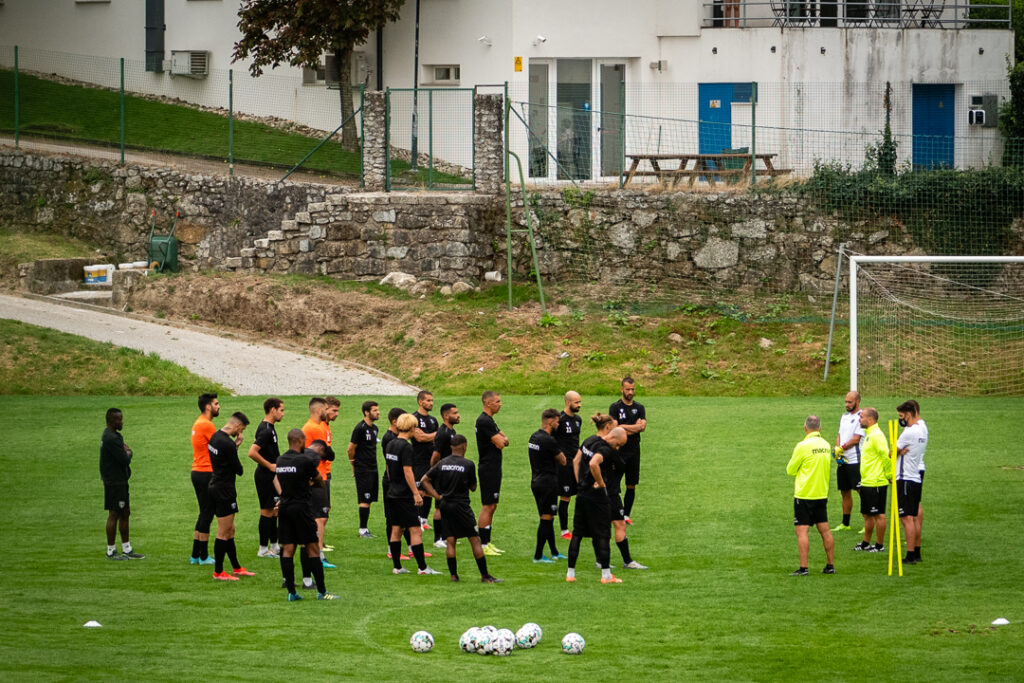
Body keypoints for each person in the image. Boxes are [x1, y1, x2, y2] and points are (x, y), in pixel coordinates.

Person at [420, 435, 502, 583]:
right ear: (464, 446)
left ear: (451, 447)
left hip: (445, 505)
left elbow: (424, 480)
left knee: (450, 541)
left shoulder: (442, 463)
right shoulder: (468, 464)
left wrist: (437, 496)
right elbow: (473, 487)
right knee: (475, 540)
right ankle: (485, 576)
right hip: (461, 506)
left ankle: (453, 576)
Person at [275, 429, 336, 601]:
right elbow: (318, 480)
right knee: (312, 548)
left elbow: (278, 479)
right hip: (302, 508)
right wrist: (308, 482)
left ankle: (291, 593)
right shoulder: (304, 460)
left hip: (285, 508)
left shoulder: (281, 460)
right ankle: (322, 592)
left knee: (287, 549)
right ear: (301, 440)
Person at [566, 423, 627, 584]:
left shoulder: (590, 440)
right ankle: (606, 575)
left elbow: (576, 460)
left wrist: (580, 482)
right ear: (613, 436)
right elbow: (594, 463)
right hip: (597, 498)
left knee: (577, 534)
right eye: (619, 444)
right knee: (603, 534)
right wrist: (600, 483)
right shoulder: (605, 449)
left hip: (582, 494)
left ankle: (570, 574)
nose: (618, 448)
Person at [384, 413, 439, 576]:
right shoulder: (406, 446)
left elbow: (388, 468)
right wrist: (415, 493)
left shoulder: (391, 443)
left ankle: (397, 567)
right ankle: (423, 568)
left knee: (396, 529)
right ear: (412, 428)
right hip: (404, 495)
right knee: (415, 530)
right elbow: (407, 471)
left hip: (392, 492)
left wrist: (393, 483)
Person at [208, 411, 255, 581]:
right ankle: (218, 572)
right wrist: (236, 446)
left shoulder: (214, 437)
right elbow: (239, 470)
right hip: (224, 489)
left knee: (230, 530)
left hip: (215, 484)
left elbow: (223, 459)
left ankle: (236, 567)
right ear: (236, 425)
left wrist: (235, 445)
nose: (240, 432)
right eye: (241, 429)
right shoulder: (226, 443)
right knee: (223, 532)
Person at [786, 415, 835, 576]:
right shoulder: (826, 445)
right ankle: (830, 565)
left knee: (802, 531)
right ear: (820, 428)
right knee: (825, 530)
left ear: (805, 428)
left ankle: (804, 568)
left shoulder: (802, 446)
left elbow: (790, 470)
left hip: (804, 494)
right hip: (821, 493)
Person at [101, 408, 144, 560]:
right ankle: (111, 551)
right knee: (114, 513)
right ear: (112, 421)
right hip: (115, 483)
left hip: (120, 482)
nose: (121, 422)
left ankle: (127, 548)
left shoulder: (112, 436)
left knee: (125, 512)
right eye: (119, 419)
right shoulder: (111, 438)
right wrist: (129, 452)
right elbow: (125, 459)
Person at [528, 409, 568, 563]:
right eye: (557, 422)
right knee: (546, 519)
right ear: (551, 421)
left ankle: (554, 552)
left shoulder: (534, 437)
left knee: (548, 518)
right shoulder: (548, 440)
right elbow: (563, 460)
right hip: (548, 483)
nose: (558, 424)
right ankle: (538, 555)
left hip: (536, 481)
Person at [248, 397, 283, 559]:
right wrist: (269, 465)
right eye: (281, 410)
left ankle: (274, 546)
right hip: (265, 476)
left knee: (275, 511)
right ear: (273, 410)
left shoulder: (268, 427)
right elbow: (252, 452)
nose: (283, 413)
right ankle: (262, 549)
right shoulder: (266, 430)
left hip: (271, 475)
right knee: (267, 511)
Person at [302, 398, 336, 571]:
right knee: (319, 517)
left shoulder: (318, 426)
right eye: (326, 408)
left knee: (321, 515)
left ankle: (316, 550)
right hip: (317, 477)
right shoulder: (314, 428)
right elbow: (326, 453)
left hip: (320, 474)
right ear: (319, 409)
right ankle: (318, 554)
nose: (329, 411)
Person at [852, 407, 892, 553]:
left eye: (861, 417)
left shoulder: (876, 435)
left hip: (876, 481)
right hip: (867, 480)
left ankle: (879, 545)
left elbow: (885, 456)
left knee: (878, 514)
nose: (859, 419)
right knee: (867, 514)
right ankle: (866, 543)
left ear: (870, 419)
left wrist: (889, 475)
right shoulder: (869, 434)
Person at [476, 390, 510, 556]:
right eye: (497, 401)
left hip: (493, 467)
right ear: (488, 403)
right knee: (487, 505)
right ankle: (482, 545)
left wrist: (501, 438)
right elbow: (501, 443)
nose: (500, 404)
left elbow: (505, 439)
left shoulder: (489, 421)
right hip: (488, 468)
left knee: (492, 505)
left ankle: (487, 542)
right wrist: (501, 438)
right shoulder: (484, 421)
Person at [609, 377, 646, 524]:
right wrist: (634, 428)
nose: (630, 392)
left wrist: (624, 427)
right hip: (619, 452)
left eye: (632, 389)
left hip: (634, 451)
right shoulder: (615, 407)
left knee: (631, 484)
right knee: (614, 484)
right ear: (621, 389)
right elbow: (615, 428)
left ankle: (626, 515)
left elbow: (642, 427)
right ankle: (613, 513)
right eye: (628, 389)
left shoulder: (640, 408)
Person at [895, 400, 928, 565]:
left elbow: (891, 452)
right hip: (915, 475)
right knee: (914, 516)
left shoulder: (909, 432)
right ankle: (916, 551)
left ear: (909, 414)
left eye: (902, 416)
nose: (901, 420)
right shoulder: (923, 428)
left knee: (906, 518)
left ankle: (910, 555)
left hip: (905, 477)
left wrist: (898, 451)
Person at [189, 392, 219, 565]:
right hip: (206, 472)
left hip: (198, 472)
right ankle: (203, 556)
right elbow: (218, 449)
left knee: (204, 512)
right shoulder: (206, 425)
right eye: (216, 403)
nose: (218, 406)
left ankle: (196, 554)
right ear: (208, 406)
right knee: (207, 513)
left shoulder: (198, 423)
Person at [832, 390, 865, 532]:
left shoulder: (862, 417)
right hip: (843, 460)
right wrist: (837, 448)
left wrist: (843, 447)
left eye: (849, 402)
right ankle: (845, 523)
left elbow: (856, 439)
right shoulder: (844, 416)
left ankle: (867, 522)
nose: (846, 404)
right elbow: (840, 434)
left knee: (861, 491)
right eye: (845, 401)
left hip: (855, 460)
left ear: (857, 402)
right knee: (844, 492)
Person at [430, 402, 461, 548]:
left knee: (449, 505)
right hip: (443, 475)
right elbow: (435, 456)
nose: (458, 415)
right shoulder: (442, 433)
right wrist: (437, 473)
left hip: (451, 474)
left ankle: (447, 534)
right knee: (440, 506)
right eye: (455, 413)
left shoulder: (452, 432)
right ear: (446, 415)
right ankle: (437, 539)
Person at [348, 400, 380, 539]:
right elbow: (350, 448)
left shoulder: (375, 428)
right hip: (363, 468)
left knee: (370, 499)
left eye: (377, 410)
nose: (378, 412)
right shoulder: (360, 428)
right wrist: (354, 464)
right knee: (364, 499)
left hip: (373, 467)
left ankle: (365, 528)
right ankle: (362, 530)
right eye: (374, 410)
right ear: (366, 412)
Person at [555, 391, 583, 540]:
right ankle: (564, 530)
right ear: (567, 402)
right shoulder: (559, 420)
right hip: (564, 465)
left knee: (581, 493)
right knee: (566, 496)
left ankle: (580, 527)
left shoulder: (578, 420)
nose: (579, 405)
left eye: (579, 402)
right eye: (576, 402)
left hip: (577, 463)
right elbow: (553, 442)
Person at [410, 391, 438, 528]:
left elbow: (438, 438)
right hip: (418, 459)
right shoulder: (414, 418)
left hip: (432, 459)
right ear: (420, 402)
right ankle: (416, 519)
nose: (431, 403)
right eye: (428, 400)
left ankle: (424, 520)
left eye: (432, 400)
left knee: (428, 490)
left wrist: (429, 436)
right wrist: (435, 435)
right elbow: (419, 438)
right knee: (420, 490)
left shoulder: (433, 420)